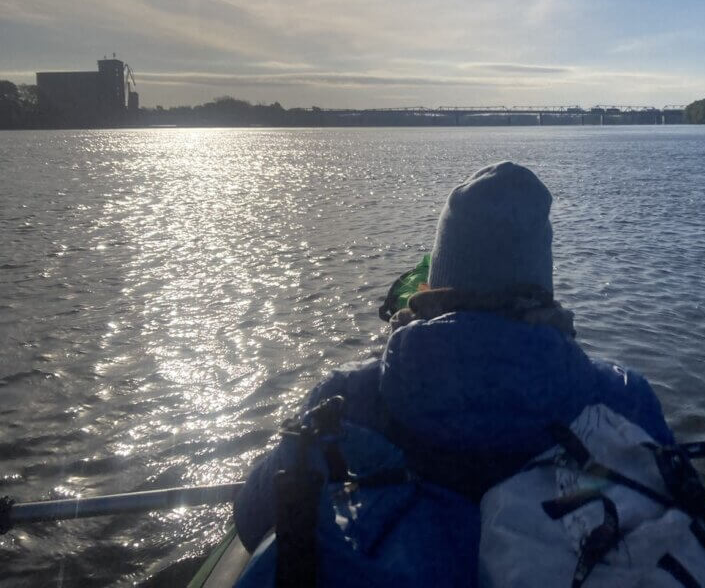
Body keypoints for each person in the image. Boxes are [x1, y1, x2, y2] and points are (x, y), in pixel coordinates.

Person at [232, 161, 676, 577]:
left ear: (439, 279)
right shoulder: (620, 396)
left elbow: (253, 520)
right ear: (543, 285)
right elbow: (674, 503)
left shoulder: (350, 397)